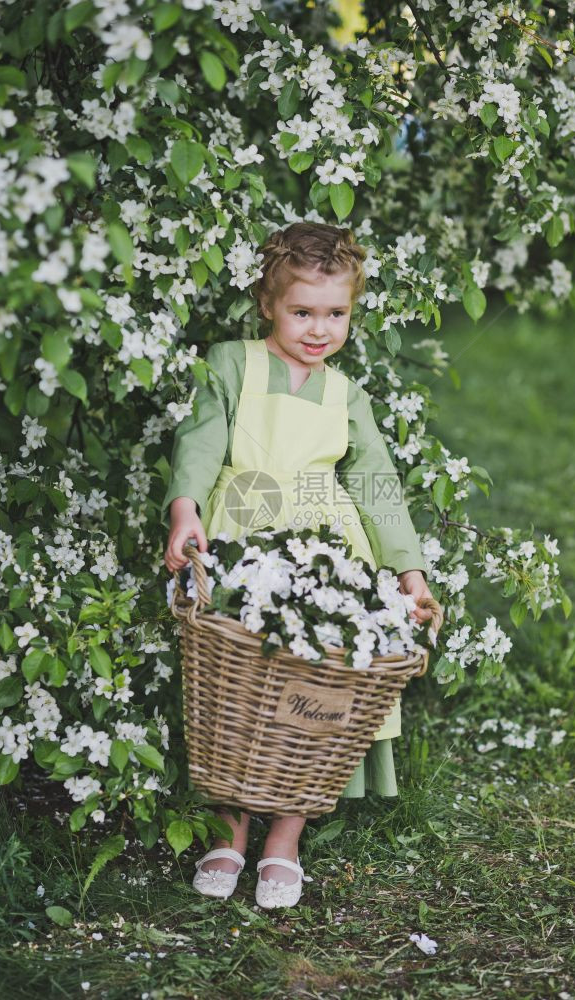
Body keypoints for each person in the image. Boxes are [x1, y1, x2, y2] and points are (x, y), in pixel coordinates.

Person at [162, 221, 440, 910]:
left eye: (336, 313)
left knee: (317, 683)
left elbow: (375, 482)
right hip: (243, 530)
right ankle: (228, 827)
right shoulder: (233, 364)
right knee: (241, 679)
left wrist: (408, 573)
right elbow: (200, 442)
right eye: (303, 311)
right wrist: (185, 511)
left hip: (325, 544)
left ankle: (285, 834)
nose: (320, 329)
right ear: (268, 305)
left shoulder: (347, 395)